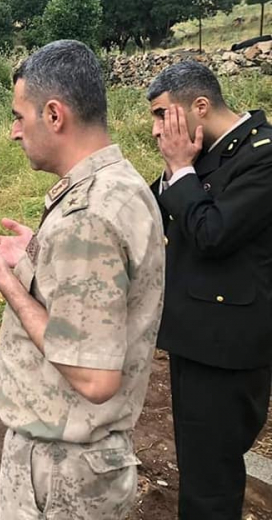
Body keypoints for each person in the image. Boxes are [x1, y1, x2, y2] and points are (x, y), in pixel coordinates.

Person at [0, 40, 165, 519]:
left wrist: (7, 282)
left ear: (53, 115)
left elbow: (93, 377)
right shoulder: (121, 185)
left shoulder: (86, 217)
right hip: (85, 461)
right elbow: (95, 302)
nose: (14, 132)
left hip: (60, 469)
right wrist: (36, 257)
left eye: (18, 117)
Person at [147, 60, 272, 519]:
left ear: (199, 106)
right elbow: (158, 212)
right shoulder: (210, 152)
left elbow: (213, 233)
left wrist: (181, 169)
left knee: (211, 481)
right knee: (198, 466)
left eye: (162, 114)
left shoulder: (262, 156)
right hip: (197, 338)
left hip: (228, 349)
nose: (157, 129)